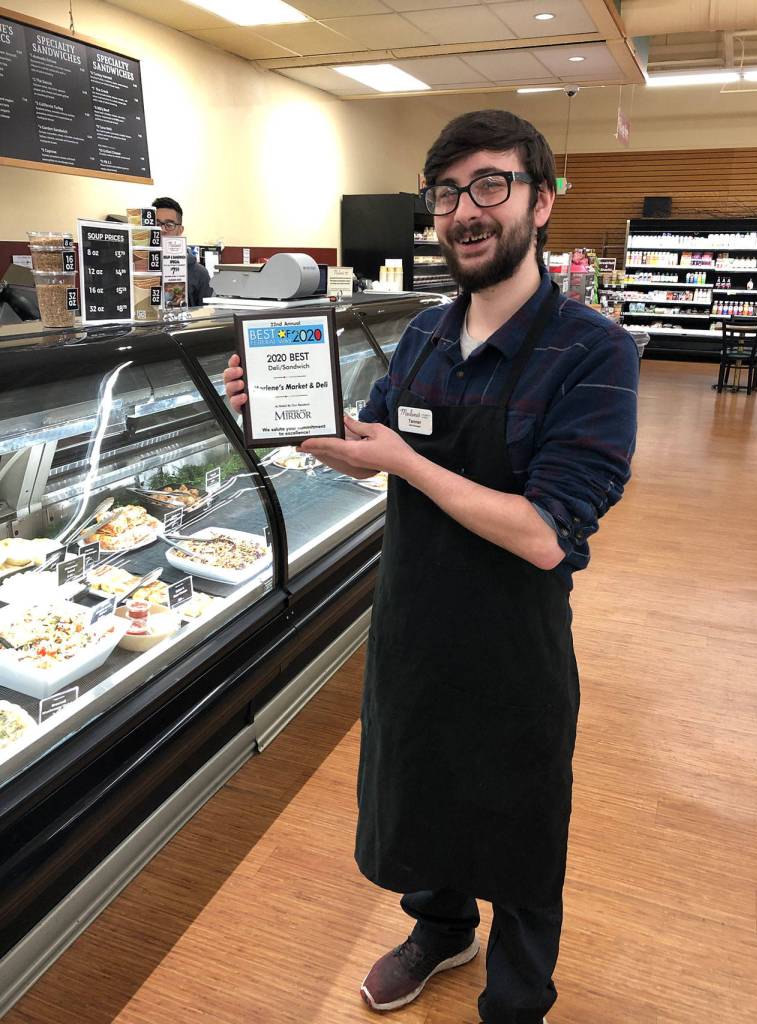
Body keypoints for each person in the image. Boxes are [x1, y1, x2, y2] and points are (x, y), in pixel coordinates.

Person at [224, 108, 639, 1024]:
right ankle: (441, 929)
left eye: (491, 184)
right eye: (447, 193)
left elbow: (545, 533)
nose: (465, 211)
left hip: (515, 639)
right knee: (425, 787)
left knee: (523, 818)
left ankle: (518, 996)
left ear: (541, 202)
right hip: (416, 620)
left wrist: (408, 463)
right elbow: (368, 448)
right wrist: (286, 416)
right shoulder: (423, 336)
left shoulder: (595, 351)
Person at [152, 196, 213, 307]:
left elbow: (207, 313)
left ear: (180, 230)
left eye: (169, 225)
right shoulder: (137, 268)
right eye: (157, 224)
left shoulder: (200, 273)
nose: (162, 230)